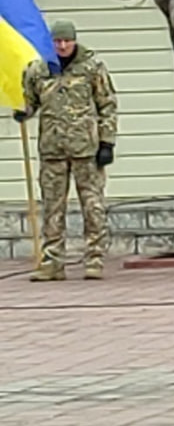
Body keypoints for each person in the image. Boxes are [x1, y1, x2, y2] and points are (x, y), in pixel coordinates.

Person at [16, 20, 118, 281]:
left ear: (74, 41)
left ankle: (94, 258)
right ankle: (52, 261)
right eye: (57, 41)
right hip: (53, 149)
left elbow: (107, 105)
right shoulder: (39, 69)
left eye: (66, 41)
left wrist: (107, 142)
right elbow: (31, 102)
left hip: (86, 149)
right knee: (52, 207)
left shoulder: (92, 68)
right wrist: (23, 111)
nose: (62, 46)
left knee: (92, 206)